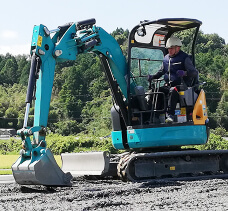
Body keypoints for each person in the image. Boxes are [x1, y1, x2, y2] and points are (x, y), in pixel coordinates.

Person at [148, 36, 198, 123]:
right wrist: (153, 77)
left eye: (171, 48)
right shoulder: (166, 58)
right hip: (169, 85)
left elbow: (194, 72)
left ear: (177, 48)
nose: (169, 50)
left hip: (182, 85)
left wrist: (185, 73)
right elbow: (162, 71)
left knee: (173, 90)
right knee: (156, 91)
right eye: (168, 49)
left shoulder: (184, 58)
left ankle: (170, 115)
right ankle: (154, 116)